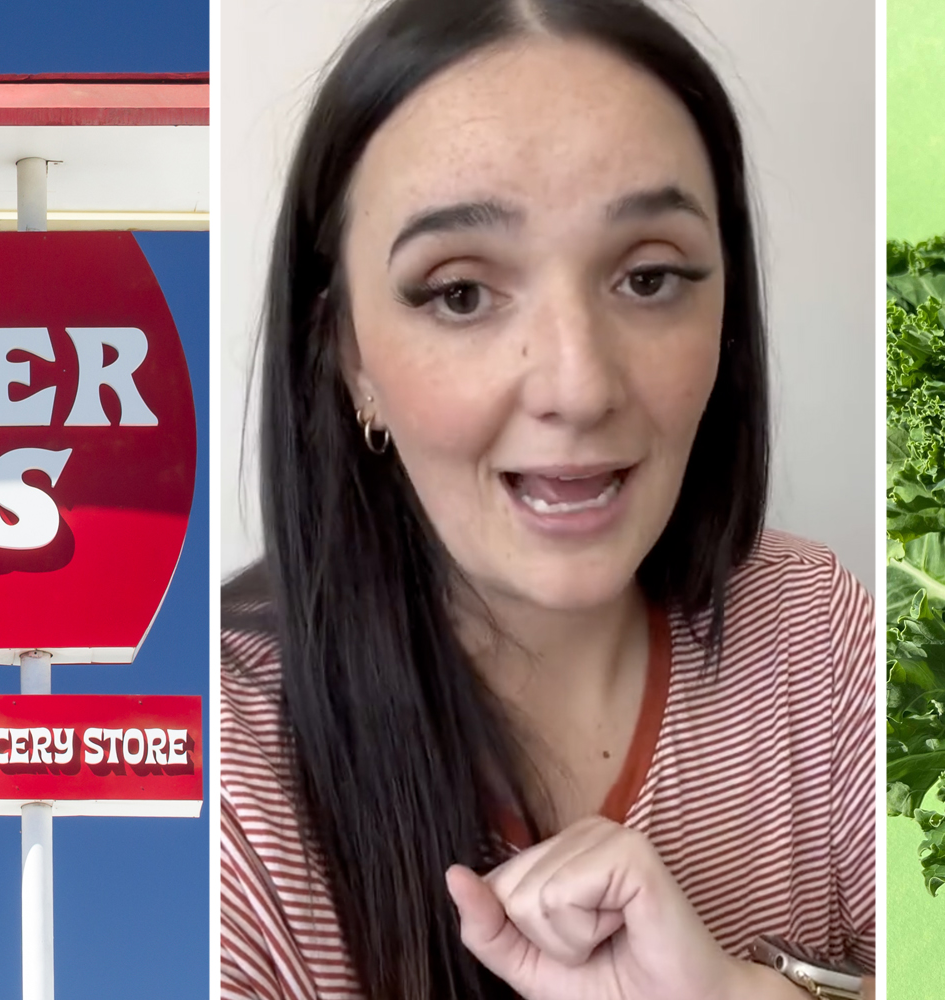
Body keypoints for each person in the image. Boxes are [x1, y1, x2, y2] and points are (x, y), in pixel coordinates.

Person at [219, 1, 875, 997]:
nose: (577, 384)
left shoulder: (815, 636)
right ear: (348, 353)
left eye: (649, 277)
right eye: (461, 294)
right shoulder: (215, 768)